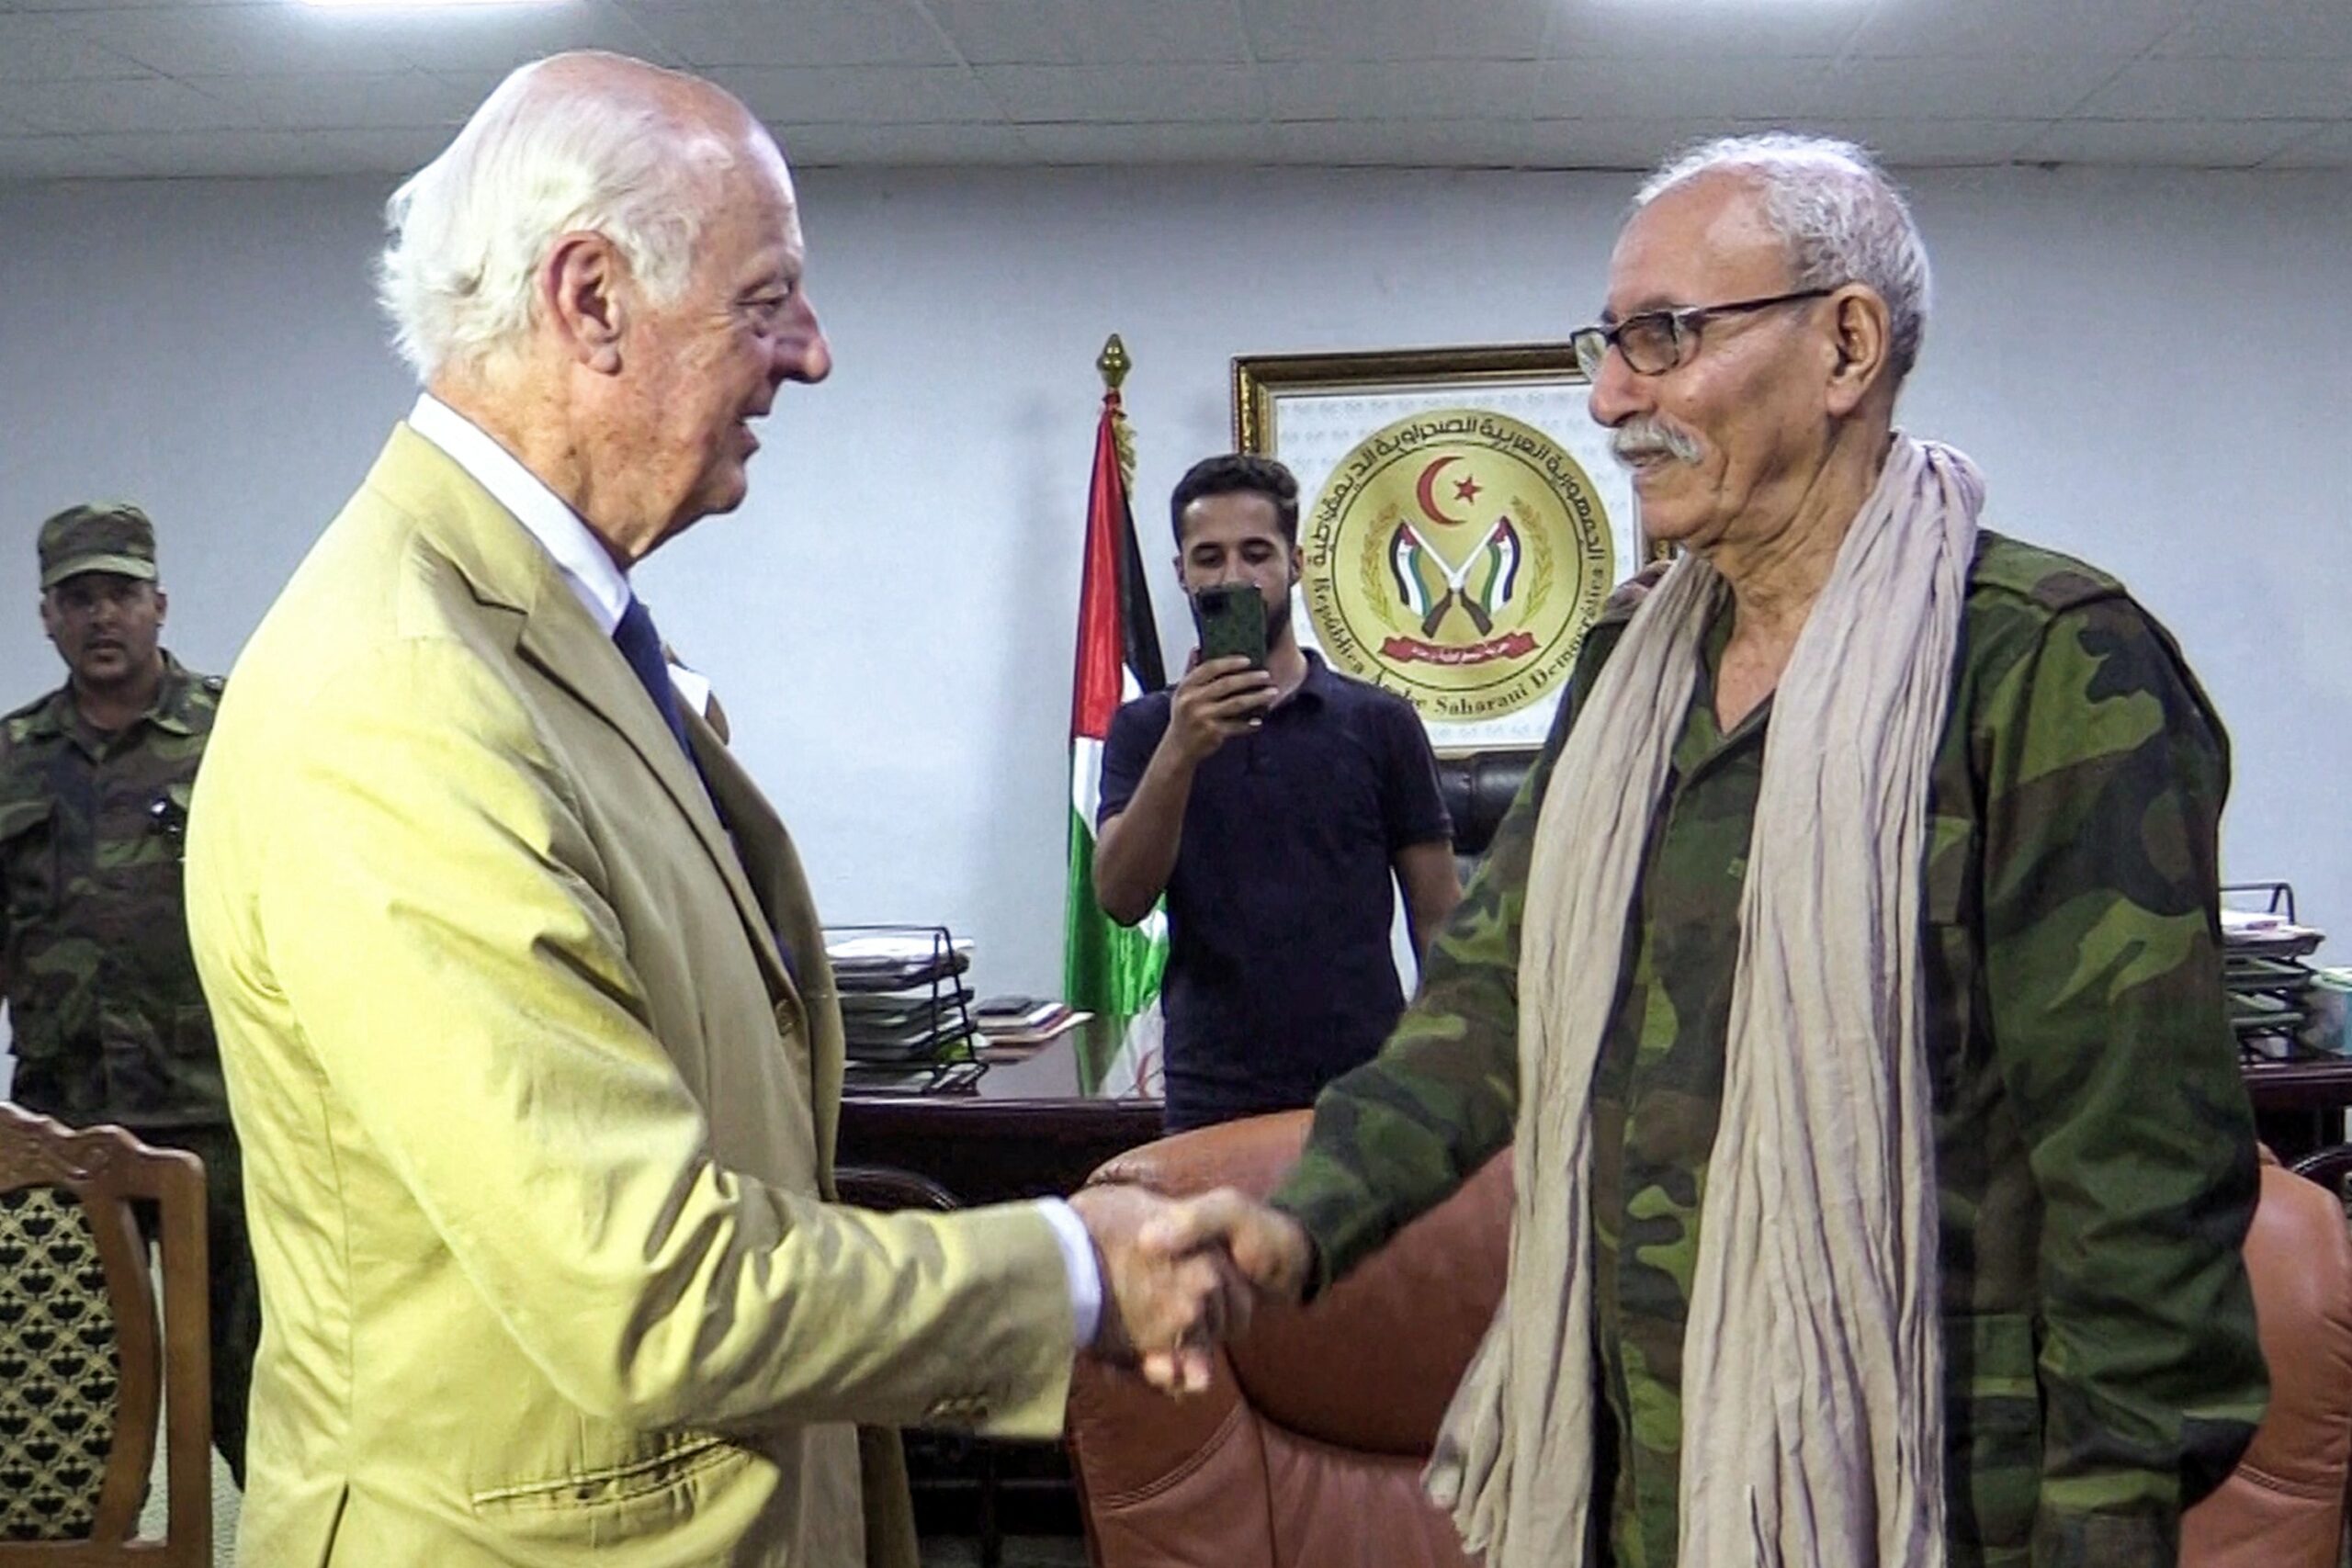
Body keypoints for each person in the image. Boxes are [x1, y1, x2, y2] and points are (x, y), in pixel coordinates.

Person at [1147, 134, 2267, 1567]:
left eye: (1664, 339)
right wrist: (1295, 1223)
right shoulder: (1631, 660)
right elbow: (1489, 1006)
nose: (1612, 396)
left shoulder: (2049, 667)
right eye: (1609, 345)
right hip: (1632, 1475)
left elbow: (2142, 1188)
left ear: (1846, 344)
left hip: (1936, 1496)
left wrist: (2104, 1532)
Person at [183, 52, 1237, 1568]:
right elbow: (648, 1286)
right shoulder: (404, 693)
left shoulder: (547, 634)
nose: (811, 354)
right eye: (766, 301)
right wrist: (1072, 1269)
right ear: (591, 301)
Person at [0, 501, 258, 1483]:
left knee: (256, 1381)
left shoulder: (236, 733)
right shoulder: (13, 757)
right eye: (78, 599)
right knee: (63, 1400)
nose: (100, 617)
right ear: (47, 618)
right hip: (63, 1131)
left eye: (118, 595)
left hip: (215, 1116)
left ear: (159, 604)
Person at [1092, 453, 1461, 1132]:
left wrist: (1443, 1069)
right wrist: (1182, 748)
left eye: (1256, 553)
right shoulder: (1147, 729)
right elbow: (1120, 898)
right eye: (1208, 558)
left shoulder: (1380, 723)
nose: (1233, 576)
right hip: (1211, 1092)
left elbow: (1438, 917)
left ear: (1296, 562)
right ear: (1181, 573)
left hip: (1366, 1088)